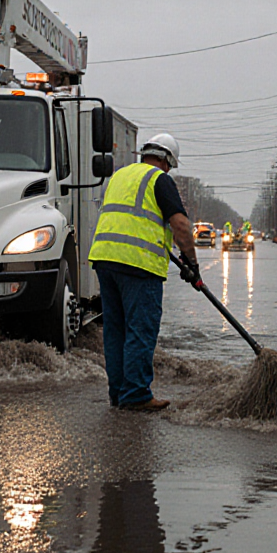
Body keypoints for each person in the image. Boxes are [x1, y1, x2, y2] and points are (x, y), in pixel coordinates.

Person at [88, 133, 199, 411]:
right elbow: (180, 225)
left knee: (115, 331)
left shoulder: (120, 177)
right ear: (168, 161)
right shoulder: (160, 179)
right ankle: (136, 394)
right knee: (140, 329)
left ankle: (119, 393)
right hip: (137, 264)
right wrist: (192, 263)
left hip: (105, 259)